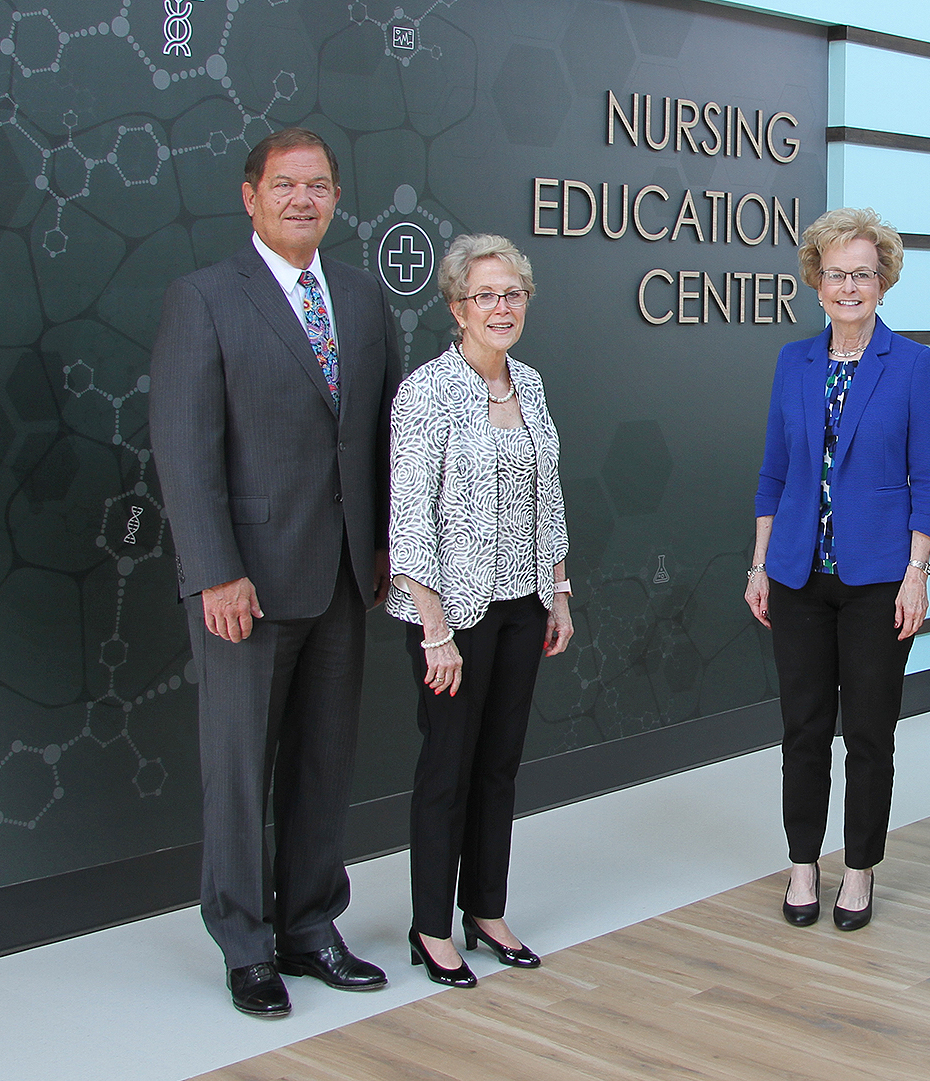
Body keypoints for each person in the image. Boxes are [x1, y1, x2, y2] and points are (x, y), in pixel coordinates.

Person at [150, 127, 400, 1016]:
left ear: (336, 198)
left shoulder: (367, 302)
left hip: (341, 576)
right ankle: (245, 944)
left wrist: (383, 550)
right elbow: (184, 449)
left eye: (320, 184)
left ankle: (309, 926)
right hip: (245, 582)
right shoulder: (205, 299)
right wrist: (214, 570)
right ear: (250, 196)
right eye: (285, 184)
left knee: (324, 762)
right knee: (239, 763)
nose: (304, 198)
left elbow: (380, 441)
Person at [746, 207, 930, 932]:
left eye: (864, 273)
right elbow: (773, 472)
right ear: (817, 281)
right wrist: (760, 564)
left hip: (879, 580)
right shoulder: (792, 361)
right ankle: (805, 863)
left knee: (869, 731)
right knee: (802, 727)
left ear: (883, 281)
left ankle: (858, 869)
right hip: (798, 576)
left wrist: (918, 572)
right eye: (837, 274)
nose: (850, 286)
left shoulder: (916, 365)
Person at [388, 234, 573, 986]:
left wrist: (558, 591)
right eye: (485, 295)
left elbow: (548, 498)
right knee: (447, 769)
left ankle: (486, 910)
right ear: (457, 307)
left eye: (513, 293)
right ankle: (431, 926)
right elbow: (408, 519)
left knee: (499, 765)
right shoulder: (427, 390)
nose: (501, 307)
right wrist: (434, 630)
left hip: (522, 606)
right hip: (453, 617)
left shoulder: (528, 382)